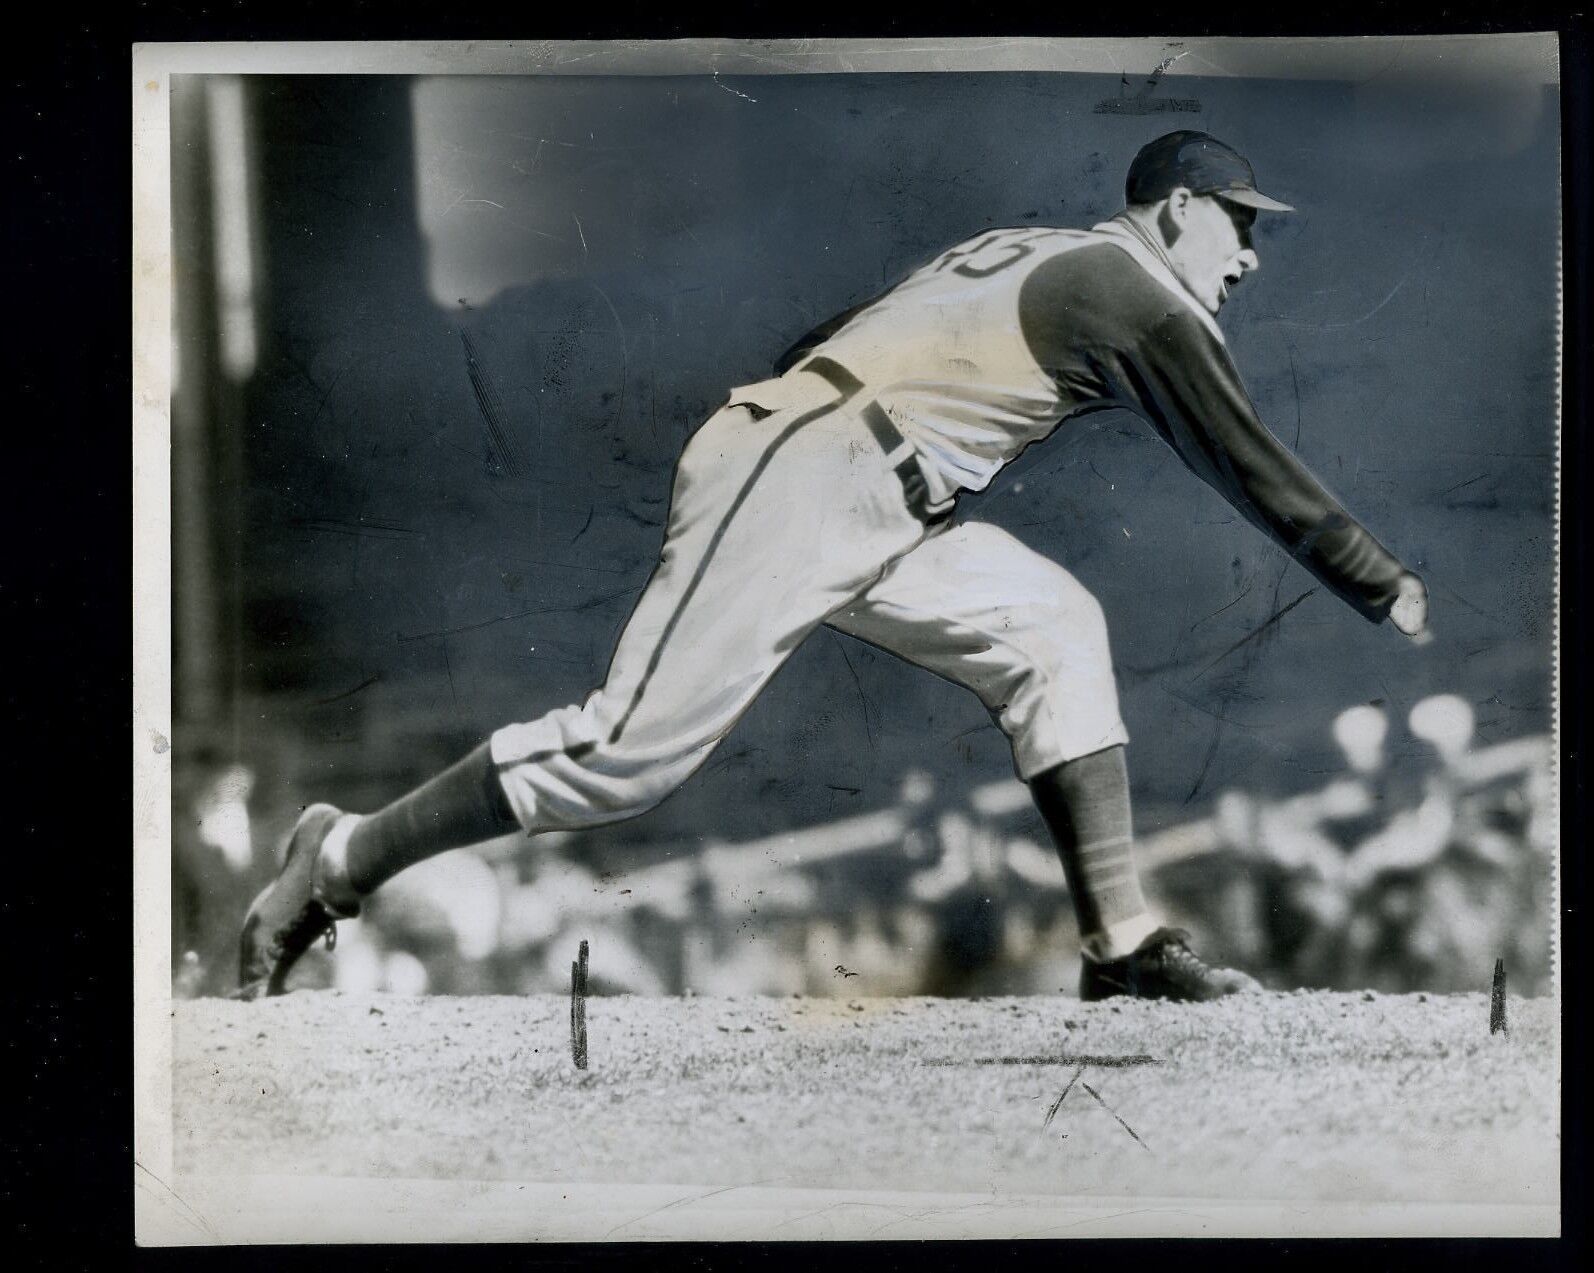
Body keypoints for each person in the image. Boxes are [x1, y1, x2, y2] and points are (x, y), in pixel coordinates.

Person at [238, 130, 1430, 1003]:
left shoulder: (1039, 249)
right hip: (820, 471)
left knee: (1053, 628)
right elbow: (1238, 450)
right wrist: (1370, 573)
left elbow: (835, 334)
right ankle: (335, 860)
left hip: (868, 485)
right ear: (1175, 210)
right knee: (621, 759)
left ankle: (1119, 945)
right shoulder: (1133, 285)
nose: (1253, 251)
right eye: (1241, 220)